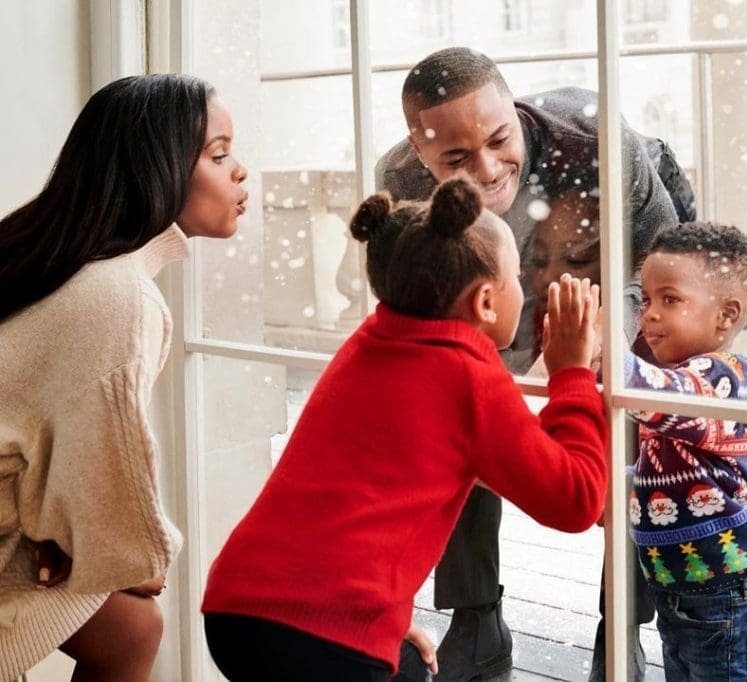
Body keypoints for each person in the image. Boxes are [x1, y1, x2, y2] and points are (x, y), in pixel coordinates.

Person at [201, 177, 609, 681]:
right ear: (485, 301)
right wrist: (572, 373)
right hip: (323, 637)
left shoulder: (371, 342)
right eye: (517, 276)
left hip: (237, 607)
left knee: (411, 669)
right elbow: (574, 501)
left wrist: (383, 624)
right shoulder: (467, 377)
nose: (524, 286)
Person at [377, 46, 694, 680]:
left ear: (515, 110)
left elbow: (663, 266)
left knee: (636, 429)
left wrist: (599, 341)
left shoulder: (597, 142)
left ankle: (621, 627)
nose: (489, 169)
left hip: (629, 270)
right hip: (506, 290)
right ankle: (477, 621)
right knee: (456, 414)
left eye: (500, 140)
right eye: (457, 159)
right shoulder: (402, 183)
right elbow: (429, 310)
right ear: (419, 149)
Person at [0, 74, 248, 680]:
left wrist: (83, 537)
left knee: (128, 626)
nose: (240, 172)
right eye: (219, 155)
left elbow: (61, 439)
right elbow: (111, 475)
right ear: (156, 168)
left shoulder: (64, 262)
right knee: (137, 617)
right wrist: (132, 557)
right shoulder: (119, 295)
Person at [623, 222, 747, 681]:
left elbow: (648, 393)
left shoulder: (725, 376)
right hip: (678, 578)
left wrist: (600, 342)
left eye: (670, 300)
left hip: (724, 581)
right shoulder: (675, 375)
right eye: (646, 300)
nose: (650, 315)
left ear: (726, 316)